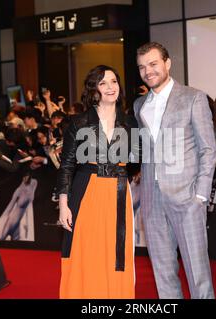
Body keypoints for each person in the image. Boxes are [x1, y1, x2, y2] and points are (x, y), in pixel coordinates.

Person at [134, 42, 216, 299]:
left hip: (187, 198)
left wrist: (200, 195)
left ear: (167, 63)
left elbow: (208, 149)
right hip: (152, 199)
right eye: (142, 67)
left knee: (197, 272)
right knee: (163, 272)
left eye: (153, 64)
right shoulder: (139, 105)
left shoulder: (194, 97)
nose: (148, 71)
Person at [57, 65, 138, 299]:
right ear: (94, 89)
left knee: (116, 255)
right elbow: (67, 166)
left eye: (114, 81)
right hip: (87, 192)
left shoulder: (130, 122)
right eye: (103, 83)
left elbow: (135, 161)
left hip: (119, 193)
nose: (110, 87)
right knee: (87, 253)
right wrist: (64, 204)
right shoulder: (79, 122)